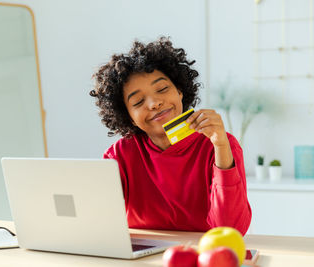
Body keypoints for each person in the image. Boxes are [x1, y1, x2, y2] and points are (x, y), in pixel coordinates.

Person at [89, 37, 251, 235]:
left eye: (162, 89)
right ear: (129, 117)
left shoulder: (221, 145)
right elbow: (101, 221)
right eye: (138, 102)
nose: (154, 103)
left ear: (180, 91)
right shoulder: (119, 154)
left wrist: (221, 147)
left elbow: (230, 230)